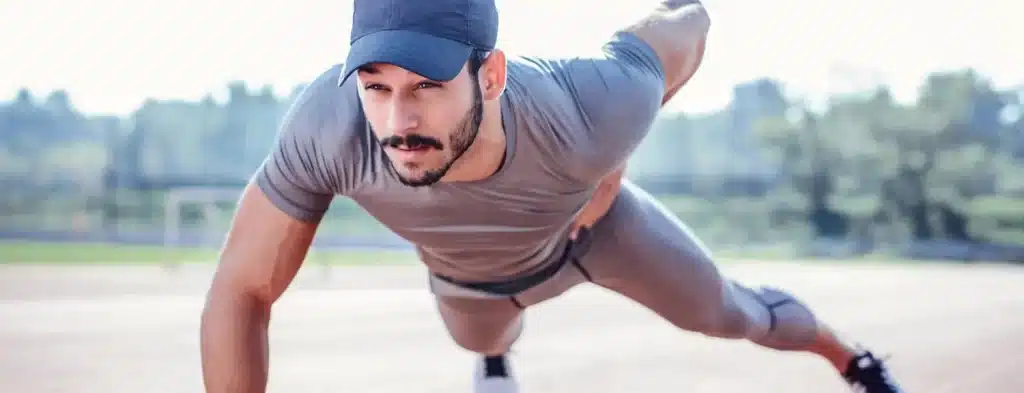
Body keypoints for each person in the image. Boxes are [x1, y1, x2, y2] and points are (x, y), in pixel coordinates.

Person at [199, 0, 907, 392]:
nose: (397, 121)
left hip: (597, 233)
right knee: (484, 338)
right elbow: (242, 288)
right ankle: (499, 359)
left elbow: (690, 23)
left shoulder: (591, 102)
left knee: (731, 314)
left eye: (427, 87)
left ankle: (854, 361)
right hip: (470, 279)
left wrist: (612, 166)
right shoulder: (326, 126)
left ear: (493, 74)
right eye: (376, 86)